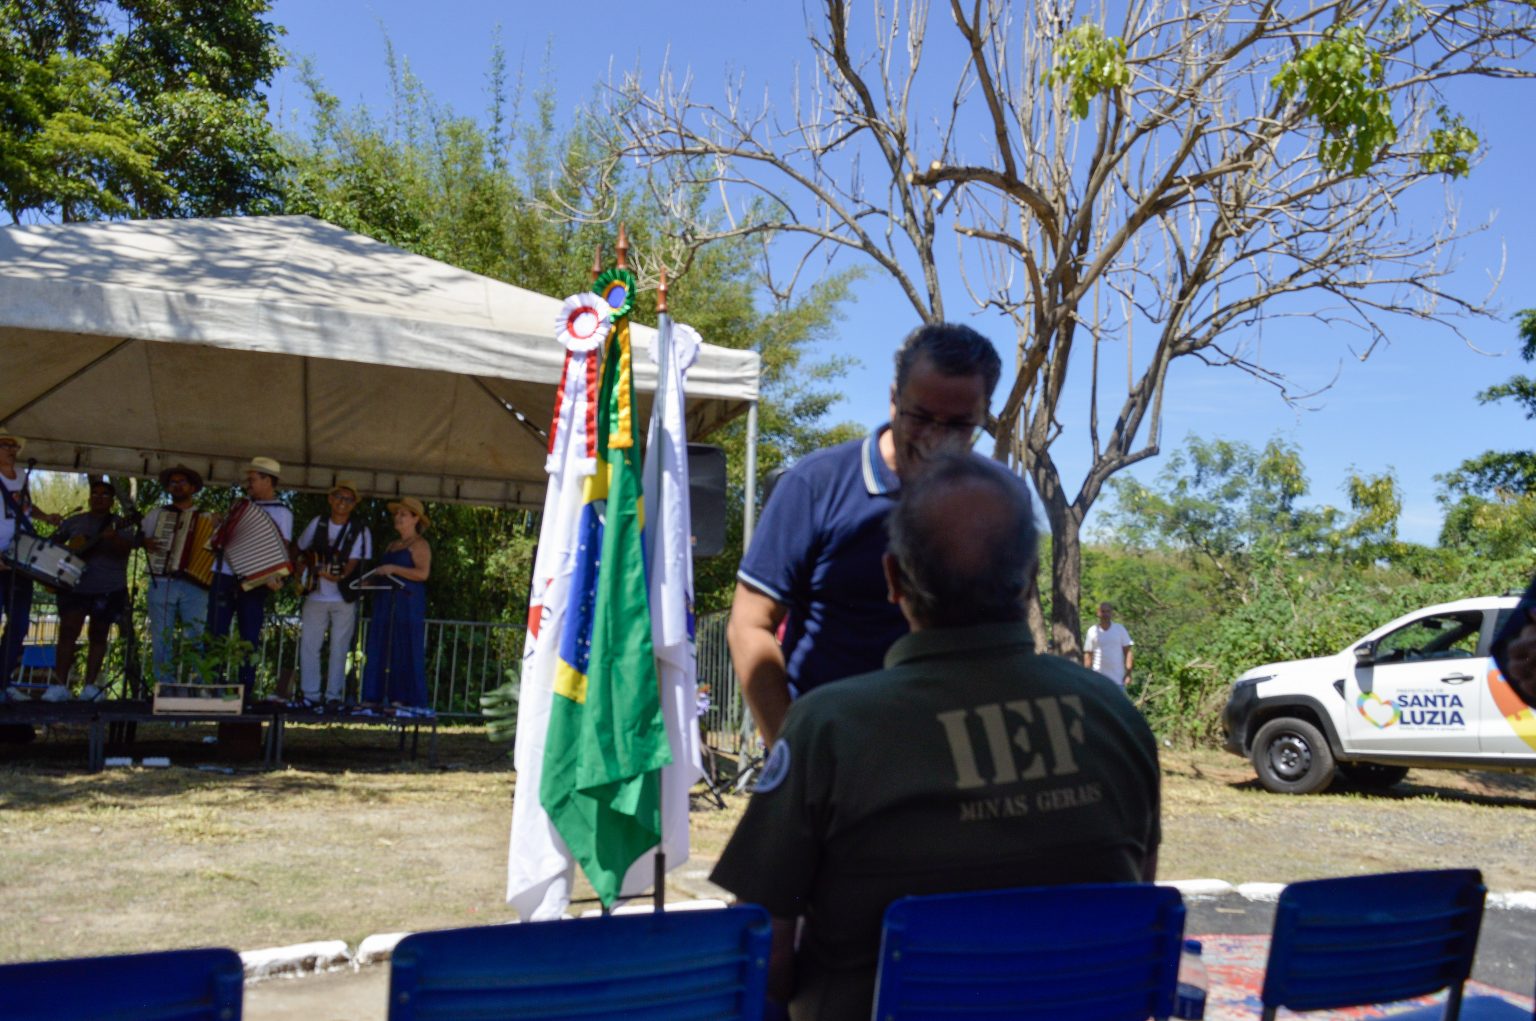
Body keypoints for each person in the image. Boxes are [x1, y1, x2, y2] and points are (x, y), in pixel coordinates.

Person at [710, 454, 1161, 1021]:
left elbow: (762, 959)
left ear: (893, 578)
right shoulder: (1114, 716)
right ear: (1028, 579)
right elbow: (1136, 914)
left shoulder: (829, 730)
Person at [729, 323, 1002, 746]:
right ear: (894, 398)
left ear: (983, 414)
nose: (935, 438)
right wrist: (792, 753)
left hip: (948, 754)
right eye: (921, 417)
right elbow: (749, 625)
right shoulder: (815, 485)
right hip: (832, 749)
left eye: (959, 424)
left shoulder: (998, 499)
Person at [206, 456, 293, 703]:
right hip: (224, 573)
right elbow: (222, 541)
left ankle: (245, 691)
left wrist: (273, 577)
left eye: (253, 479)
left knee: (249, 636)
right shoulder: (239, 506)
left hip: (255, 580)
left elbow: (281, 550)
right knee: (215, 632)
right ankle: (211, 687)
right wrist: (218, 527)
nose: (249, 484)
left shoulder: (282, 512)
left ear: (268, 481)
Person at [44, 480, 134, 701]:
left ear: (112, 501)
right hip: (74, 586)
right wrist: (68, 551)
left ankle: (90, 687)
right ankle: (59, 685)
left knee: (99, 634)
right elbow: (51, 544)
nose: (98, 498)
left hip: (108, 587)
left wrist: (113, 539)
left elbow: (126, 550)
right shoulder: (75, 521)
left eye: (104, 495)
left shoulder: (121, 524)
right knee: (67, 632)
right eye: (95, 494)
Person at [294, 481, 372, 711]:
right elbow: (299, 548)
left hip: (343, 597)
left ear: (354, 504)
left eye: (348, 499)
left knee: (339, 648)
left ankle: (333, 696)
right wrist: (301, 568)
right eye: (339, 496)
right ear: (330, 499)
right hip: (315, 594)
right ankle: (310, 695)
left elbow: (354, 563)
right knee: (310, 645)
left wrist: (340, 575)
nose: (342, 502)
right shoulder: (318, 522)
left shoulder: (360, 529)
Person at [0, 430, 61, 700]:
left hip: (19, 560)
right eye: (5, 445)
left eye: (14, 446)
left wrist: (45, 517)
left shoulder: (22, 475)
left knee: (19, 623)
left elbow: (24, 507)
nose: (11, 450)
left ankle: (4, 681)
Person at [359, 496, 432, 715]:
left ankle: (405, 698)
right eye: (397, 514)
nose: (398, 518)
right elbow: (384, 572)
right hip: (386, 600)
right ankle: (373, 696)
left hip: (408, 601)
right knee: (379, 644)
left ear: (415, 519)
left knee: (405, 645)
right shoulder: (392, 545)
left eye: (403, 514)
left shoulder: (420, 544)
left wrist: (394, 569)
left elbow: (423, 573)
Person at [141, 464, 211, 685]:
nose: (177, 486)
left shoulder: (207, 517)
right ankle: (164, 685)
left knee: (197, 635)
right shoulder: (157, 514)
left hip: (196, 585)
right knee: (161, 637)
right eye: (173, 483)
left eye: (182, 482)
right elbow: (137, 537)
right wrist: (145, 542)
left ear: (193, 488)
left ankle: (199, 686)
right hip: (162, 581)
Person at [1083, 601, 1135, 688]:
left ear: (1111, 613)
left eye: (1108, 611)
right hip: (1098, 680)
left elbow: (1128, 652)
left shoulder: (1119, 629)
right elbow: (1088, 655)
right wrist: (1086, 676)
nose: (1106, 614)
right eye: (1103, 611)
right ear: (1098, 613)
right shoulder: (1092, 631)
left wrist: (1128, 673)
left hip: (1118, 680)